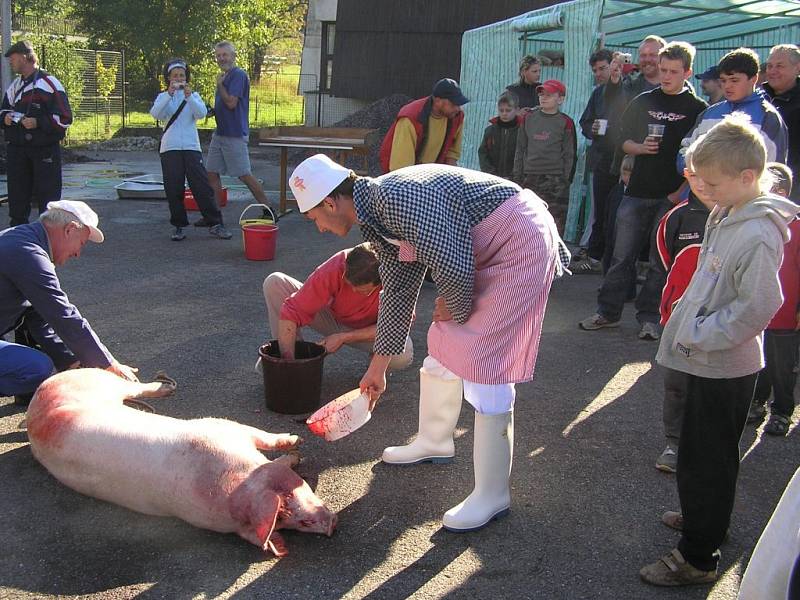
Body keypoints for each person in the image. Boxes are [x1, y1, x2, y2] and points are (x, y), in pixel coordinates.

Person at [288, 153, 569, 533]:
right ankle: (435, 441)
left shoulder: (396, 200)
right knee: (442, 346)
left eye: (314, 218)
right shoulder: (376, 216)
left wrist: (454, 306)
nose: (319, 228)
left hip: (518, 244)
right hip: (481, 250)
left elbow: (452, 266)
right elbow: (398, 290)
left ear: (330, 202)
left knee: (485, 364)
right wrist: (378, 368)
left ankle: (493, 493)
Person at [639, 114, 800, 587]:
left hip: (722, 364)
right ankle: (705, 523)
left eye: (711, 182)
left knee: (705, 460)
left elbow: (762, 305)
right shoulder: (729, 212)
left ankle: (697, 557)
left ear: (747, 178)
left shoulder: (755, 231)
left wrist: (701, 333)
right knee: (701, 455)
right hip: (707, 359)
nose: (702, 189)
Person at [579, 42, 707, 340]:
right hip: (636, 192)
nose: (666, 76)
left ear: (687, 72)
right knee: (621, 257)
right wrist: (639, 148)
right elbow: (619, 141)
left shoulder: (698, 109)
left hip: (671, 197)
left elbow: (700, 157)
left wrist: (680, 192)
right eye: (663, 70)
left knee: (659, 261)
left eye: (673, 72)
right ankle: (607, 312)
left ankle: (651, 318)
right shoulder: (643, 101)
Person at [0, 201, 139, 405]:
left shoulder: (22, 239)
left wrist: (74, 364)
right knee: (36, 368)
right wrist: (108, 365)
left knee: (35, 352)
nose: (78, 253)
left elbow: (41, 319)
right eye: (81, 243)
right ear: (70, 230)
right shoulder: (28, 253)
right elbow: (63, 315)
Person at [651, 149, 715, 473]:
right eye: (692, 174)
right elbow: (663, 261)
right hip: (676, 318)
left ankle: (705, 444)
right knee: (676, 385)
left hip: (718, 321)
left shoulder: (734, 217)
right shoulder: (676, 216)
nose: (700, 181)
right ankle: (674, 444)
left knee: (709, 387)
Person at [262, 243, 412, 370]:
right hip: (331, 316)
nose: (353, 292)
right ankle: (287, 361)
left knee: (402, 354)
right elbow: (292, 310)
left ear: (380, 283)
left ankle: (375, 366)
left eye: (363, 291)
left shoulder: (396, 280)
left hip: (368, 329)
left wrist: (344, 337)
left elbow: (397, 326)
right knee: (274, 282)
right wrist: (288, 361)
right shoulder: (336, 266)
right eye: (349, 284)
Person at [150, 59, 232, 241]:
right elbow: (156, 113)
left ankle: (215, 223)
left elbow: (201, 113)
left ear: (186, 77)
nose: (178, 79)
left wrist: (189, 96)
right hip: (170, 147)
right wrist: (169, 94)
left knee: (201, 185)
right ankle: (178, 225)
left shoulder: (193, 96)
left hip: (191, 146)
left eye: (181, 75)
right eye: (175, 76)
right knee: (174, 187)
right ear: (168, 78)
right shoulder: (164, 96)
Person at [747, 162, 798, 436]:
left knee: (783, 368)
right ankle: (756, 403)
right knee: (759, 364)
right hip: (757, 313)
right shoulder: (753, 223)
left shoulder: (797, 227)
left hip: (786, 314)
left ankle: (782, 411)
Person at [678, 48, 788, 173]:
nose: (727, 86)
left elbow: (775, 169)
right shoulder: (709, 113)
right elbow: (684, 151)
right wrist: (699, 168)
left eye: (734, 80)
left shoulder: (768, 116)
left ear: (754, 79)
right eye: (723, 80)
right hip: (703, 190)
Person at [0, 40, 72, 227]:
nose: (10, 63)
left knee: (48, 202)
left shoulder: (50, 83)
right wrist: (6, 118)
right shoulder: (14, 86)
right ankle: (17, 240)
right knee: (17, 199)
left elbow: (65, 118)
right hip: (17, 150)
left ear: (25, 57)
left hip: (44, 151)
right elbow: (3, 112)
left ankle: (48, 242)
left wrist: (38, 122)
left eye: (13, 59)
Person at [203, 40, 275, 225]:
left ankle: (268, 210)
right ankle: (215, 216)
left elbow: (231, 103)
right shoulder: (225, 76)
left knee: (244, 174)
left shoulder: (237, 75)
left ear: (233, 56)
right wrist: (210, 111)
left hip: (234, 135)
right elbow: (223, 106)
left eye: (225, 54)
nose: (221, 58)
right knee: (211, 172)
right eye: (218, 55)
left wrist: (219, 85)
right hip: (220, 134)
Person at [512, 79, 577, 234]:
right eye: (541, 93)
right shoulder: (528, 119)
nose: (544, 97)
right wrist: (518, 176)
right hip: (530, 177)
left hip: (555, 180)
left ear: (560, 99)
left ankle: (554, 256)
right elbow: (520, 149)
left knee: (555, 224)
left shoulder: (566, 122)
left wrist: (565, 180)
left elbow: (570, 154)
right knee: (528, 223)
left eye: (549, 94)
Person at [576, 48, 616, 272]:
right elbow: (584, 122)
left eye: (602, 68)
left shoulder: (628, 89)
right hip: (601, 160)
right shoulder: (597, 94)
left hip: (626, 161)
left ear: (614, 65)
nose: (599, 73)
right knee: (600, 211)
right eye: (595, 70)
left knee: (618, 212)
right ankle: (595, 257)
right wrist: (592, 130)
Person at [378, 78, 468, 173]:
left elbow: (451, 155)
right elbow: (401, 169)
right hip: (402, 176)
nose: (458, 108)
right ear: (437, 101)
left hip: (430, 175)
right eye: (453, 104)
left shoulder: (456, 117)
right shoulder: (411, 118)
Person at [762, 44, 800, 202]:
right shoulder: (757, 98)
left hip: (794, 189)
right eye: (770, 66)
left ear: (797, 68)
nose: (772, 71)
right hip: (760, 184)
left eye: (780, 66)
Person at [477, 92, 521, 179]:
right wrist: (491, 173)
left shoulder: (522, 131)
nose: (504, 113)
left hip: (515, 179)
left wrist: (514, 176)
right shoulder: (490, 131)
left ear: (517, 110)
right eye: (501, 110)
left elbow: (524, 156)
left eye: (508, 110)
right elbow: (483, 153)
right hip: (492, 178)